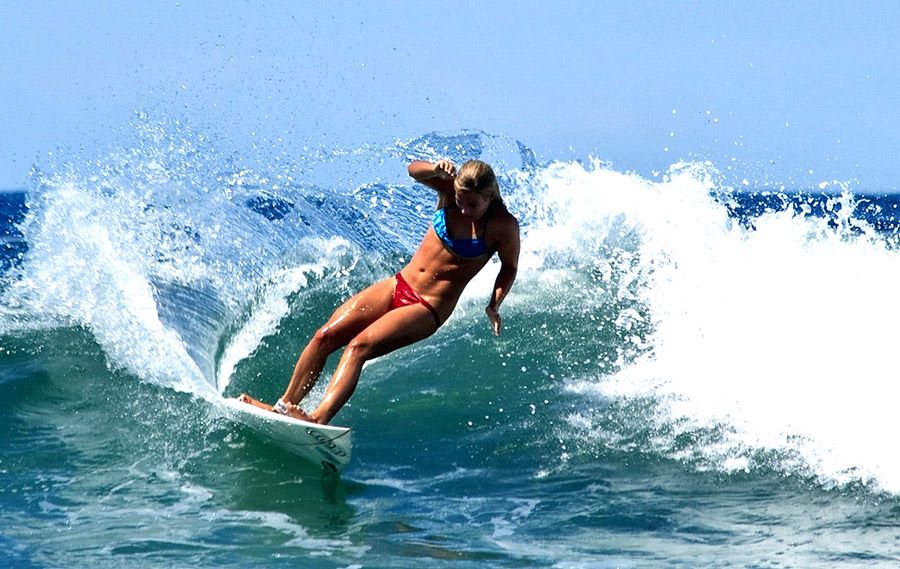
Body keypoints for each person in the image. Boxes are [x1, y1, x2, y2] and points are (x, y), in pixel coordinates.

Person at [239, 159, 520, 424]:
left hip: (427, 307)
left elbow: (509, 267)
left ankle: (317, 419)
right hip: (399, 284)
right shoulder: (448, 190)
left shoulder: (502, 225)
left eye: (472, 205)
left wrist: (494, 304)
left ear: (489, 197)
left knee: (358, 347)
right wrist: (434, 169)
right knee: (324, 337)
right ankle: (283, 407)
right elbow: (413, 170)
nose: (464, 210)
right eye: (460, 202)